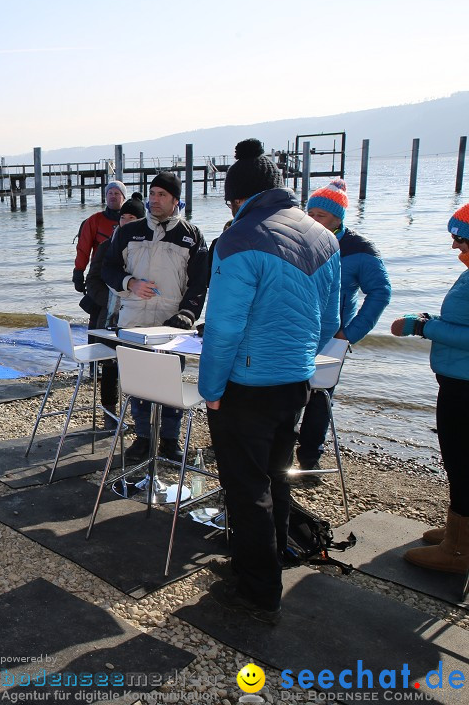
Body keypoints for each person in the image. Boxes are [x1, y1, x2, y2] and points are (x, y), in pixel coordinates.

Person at [199, 138, 341, 624]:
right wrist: (300, 358)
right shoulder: (324, 237)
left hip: (246, 384)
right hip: (296, 379)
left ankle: (258, 590)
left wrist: (211, 388)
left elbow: (221, 327)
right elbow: (329, 321)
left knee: (247, 487)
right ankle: (271, 560)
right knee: (279, 478)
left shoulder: (239, 239)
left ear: (237, 199)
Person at [102, 171, 208, 462]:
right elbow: (108, 269)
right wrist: (129, 283)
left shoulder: (192, 235)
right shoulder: (127, 231)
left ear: (176, 200)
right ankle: (143, 438)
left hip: (171, 324)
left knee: (170, 384)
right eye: (152, 194)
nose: (155, 200)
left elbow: (200, 282)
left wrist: (188, 313)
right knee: (139, 384)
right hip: (134, 320)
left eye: (162, 195)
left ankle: (170, 441)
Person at [391, 202, 469, 574]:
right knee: (458, 462)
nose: (455, 247)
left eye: (461, 240)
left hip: (465, 388)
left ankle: (458, 550)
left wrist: (424, 328)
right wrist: (430, 320)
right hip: (457, 381)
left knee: (462, 462)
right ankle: (460, 533)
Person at [295, 178, 391, 480]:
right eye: (309, 213)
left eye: (320, 215)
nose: (312, 220)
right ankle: (278, 458)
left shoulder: (359, 249)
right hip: (295, 334)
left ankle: (310, 462)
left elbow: (380, 292)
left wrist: (350, 333)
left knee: (320, 401)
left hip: (332, 339)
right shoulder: (297, 241)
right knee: (287, 397)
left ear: (339, 217)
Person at [85, 192, 145, 415]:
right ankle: (109, 412)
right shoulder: (106, 246)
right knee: (110, 366)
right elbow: (92, 281)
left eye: (132, 218)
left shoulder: (149, 248)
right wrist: (113, 300)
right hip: (109, 315)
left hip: (139, 315)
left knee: (137, 364)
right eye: (123, 217)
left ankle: (139, 414)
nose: (126, 222)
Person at [75, 181, 129, 414]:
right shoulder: (94, 221)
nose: (113, 197)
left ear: (123, 198)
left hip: (122, 281)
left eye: (117, 193)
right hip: (99, 277)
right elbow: (83, 247)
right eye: (110, 193)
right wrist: (79, 272)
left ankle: (116, 366)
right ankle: (94, 367)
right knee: (96, 322)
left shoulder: (132, 220)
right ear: (105, 197)